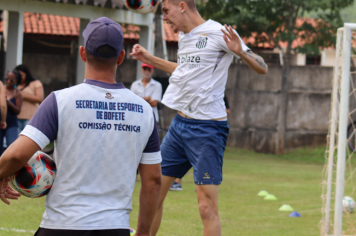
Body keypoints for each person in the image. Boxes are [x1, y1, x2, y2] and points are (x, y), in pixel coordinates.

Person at [0, 17, 162, 236]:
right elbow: (153, 180)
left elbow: (16, 156)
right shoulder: (144, 111)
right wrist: (143, 232)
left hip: (62, 226)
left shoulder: (59, 101)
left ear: (83, 53)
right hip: (114, 228)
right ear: (121, 57)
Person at [130, 0, 268, 235]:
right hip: (179, 127)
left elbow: (262, 67)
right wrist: (149, 58)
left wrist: (240, 53)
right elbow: (184, 70)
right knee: (152, 195)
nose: (164, 17)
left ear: (182, 6)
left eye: (165, 11)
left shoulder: (218, 33)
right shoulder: (184, 36)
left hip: (208, 131)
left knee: (206, 208)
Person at [14, 64, 44, 133]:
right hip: (16, 117)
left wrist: (22, 95)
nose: (20, 78)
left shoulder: (35, 83)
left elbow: (40, 98)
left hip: (31, 117)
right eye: (18, 75)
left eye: (21, 75)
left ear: (27, 74)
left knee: (29, 138)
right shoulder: (14, 84)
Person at [1, 70, 22, 155]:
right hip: (0, 122)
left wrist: (9, 103)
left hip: (11, 123)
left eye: (11, 80)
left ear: (16, 81)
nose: (8, 81)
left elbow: (18, 111)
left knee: (12, 148)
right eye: (7, 79)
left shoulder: (17, 93)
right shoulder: (1, 89)